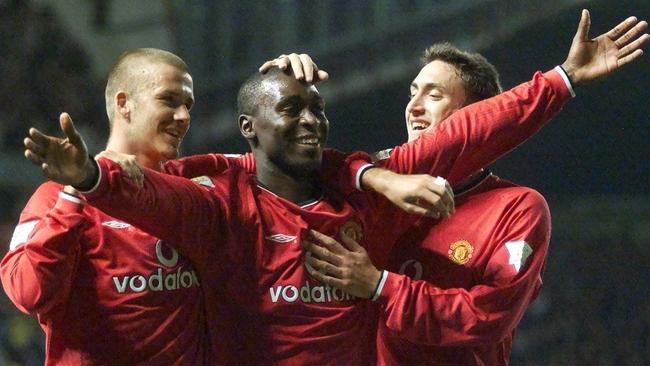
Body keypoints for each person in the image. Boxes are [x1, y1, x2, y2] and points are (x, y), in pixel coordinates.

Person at [22, 10, 647, 365]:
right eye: (290, 111)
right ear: (248, 131)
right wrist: (86, 180)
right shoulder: (220, 197)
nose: (311, 121)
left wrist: (562, 78)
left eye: (317, 111)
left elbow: (464, 137)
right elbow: (148, 194)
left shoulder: (367, 194)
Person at [288, 10, 649, 365]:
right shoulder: (375, 181)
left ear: (479, 117)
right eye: (412, 93)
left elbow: (486, 317)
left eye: (433, 95)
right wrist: (284, 82)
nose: (413, 107)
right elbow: (291, 174)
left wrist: (379, 285)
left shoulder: (517, 208)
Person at [0, 48, 210, 365]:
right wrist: (78, 188)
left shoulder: (195, 198)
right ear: (124, 104)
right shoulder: (55, 197)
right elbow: (28, 294)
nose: (183, 116)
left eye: (188, 105)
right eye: (168, 100)